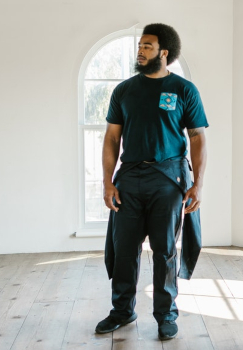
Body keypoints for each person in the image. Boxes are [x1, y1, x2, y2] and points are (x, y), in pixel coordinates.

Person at [95, 23, 208, 341]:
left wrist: (197, 184)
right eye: (140, 45)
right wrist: (107, 181)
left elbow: (198, 138)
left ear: (164, 52)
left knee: (164, 251)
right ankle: (122, 311)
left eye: (147, 45)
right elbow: (111, 138)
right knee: (124, 249)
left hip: (168, 179)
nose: (140, 50)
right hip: (129, 178)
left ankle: (166, 315)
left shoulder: (184, 90)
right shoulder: (124, 91)